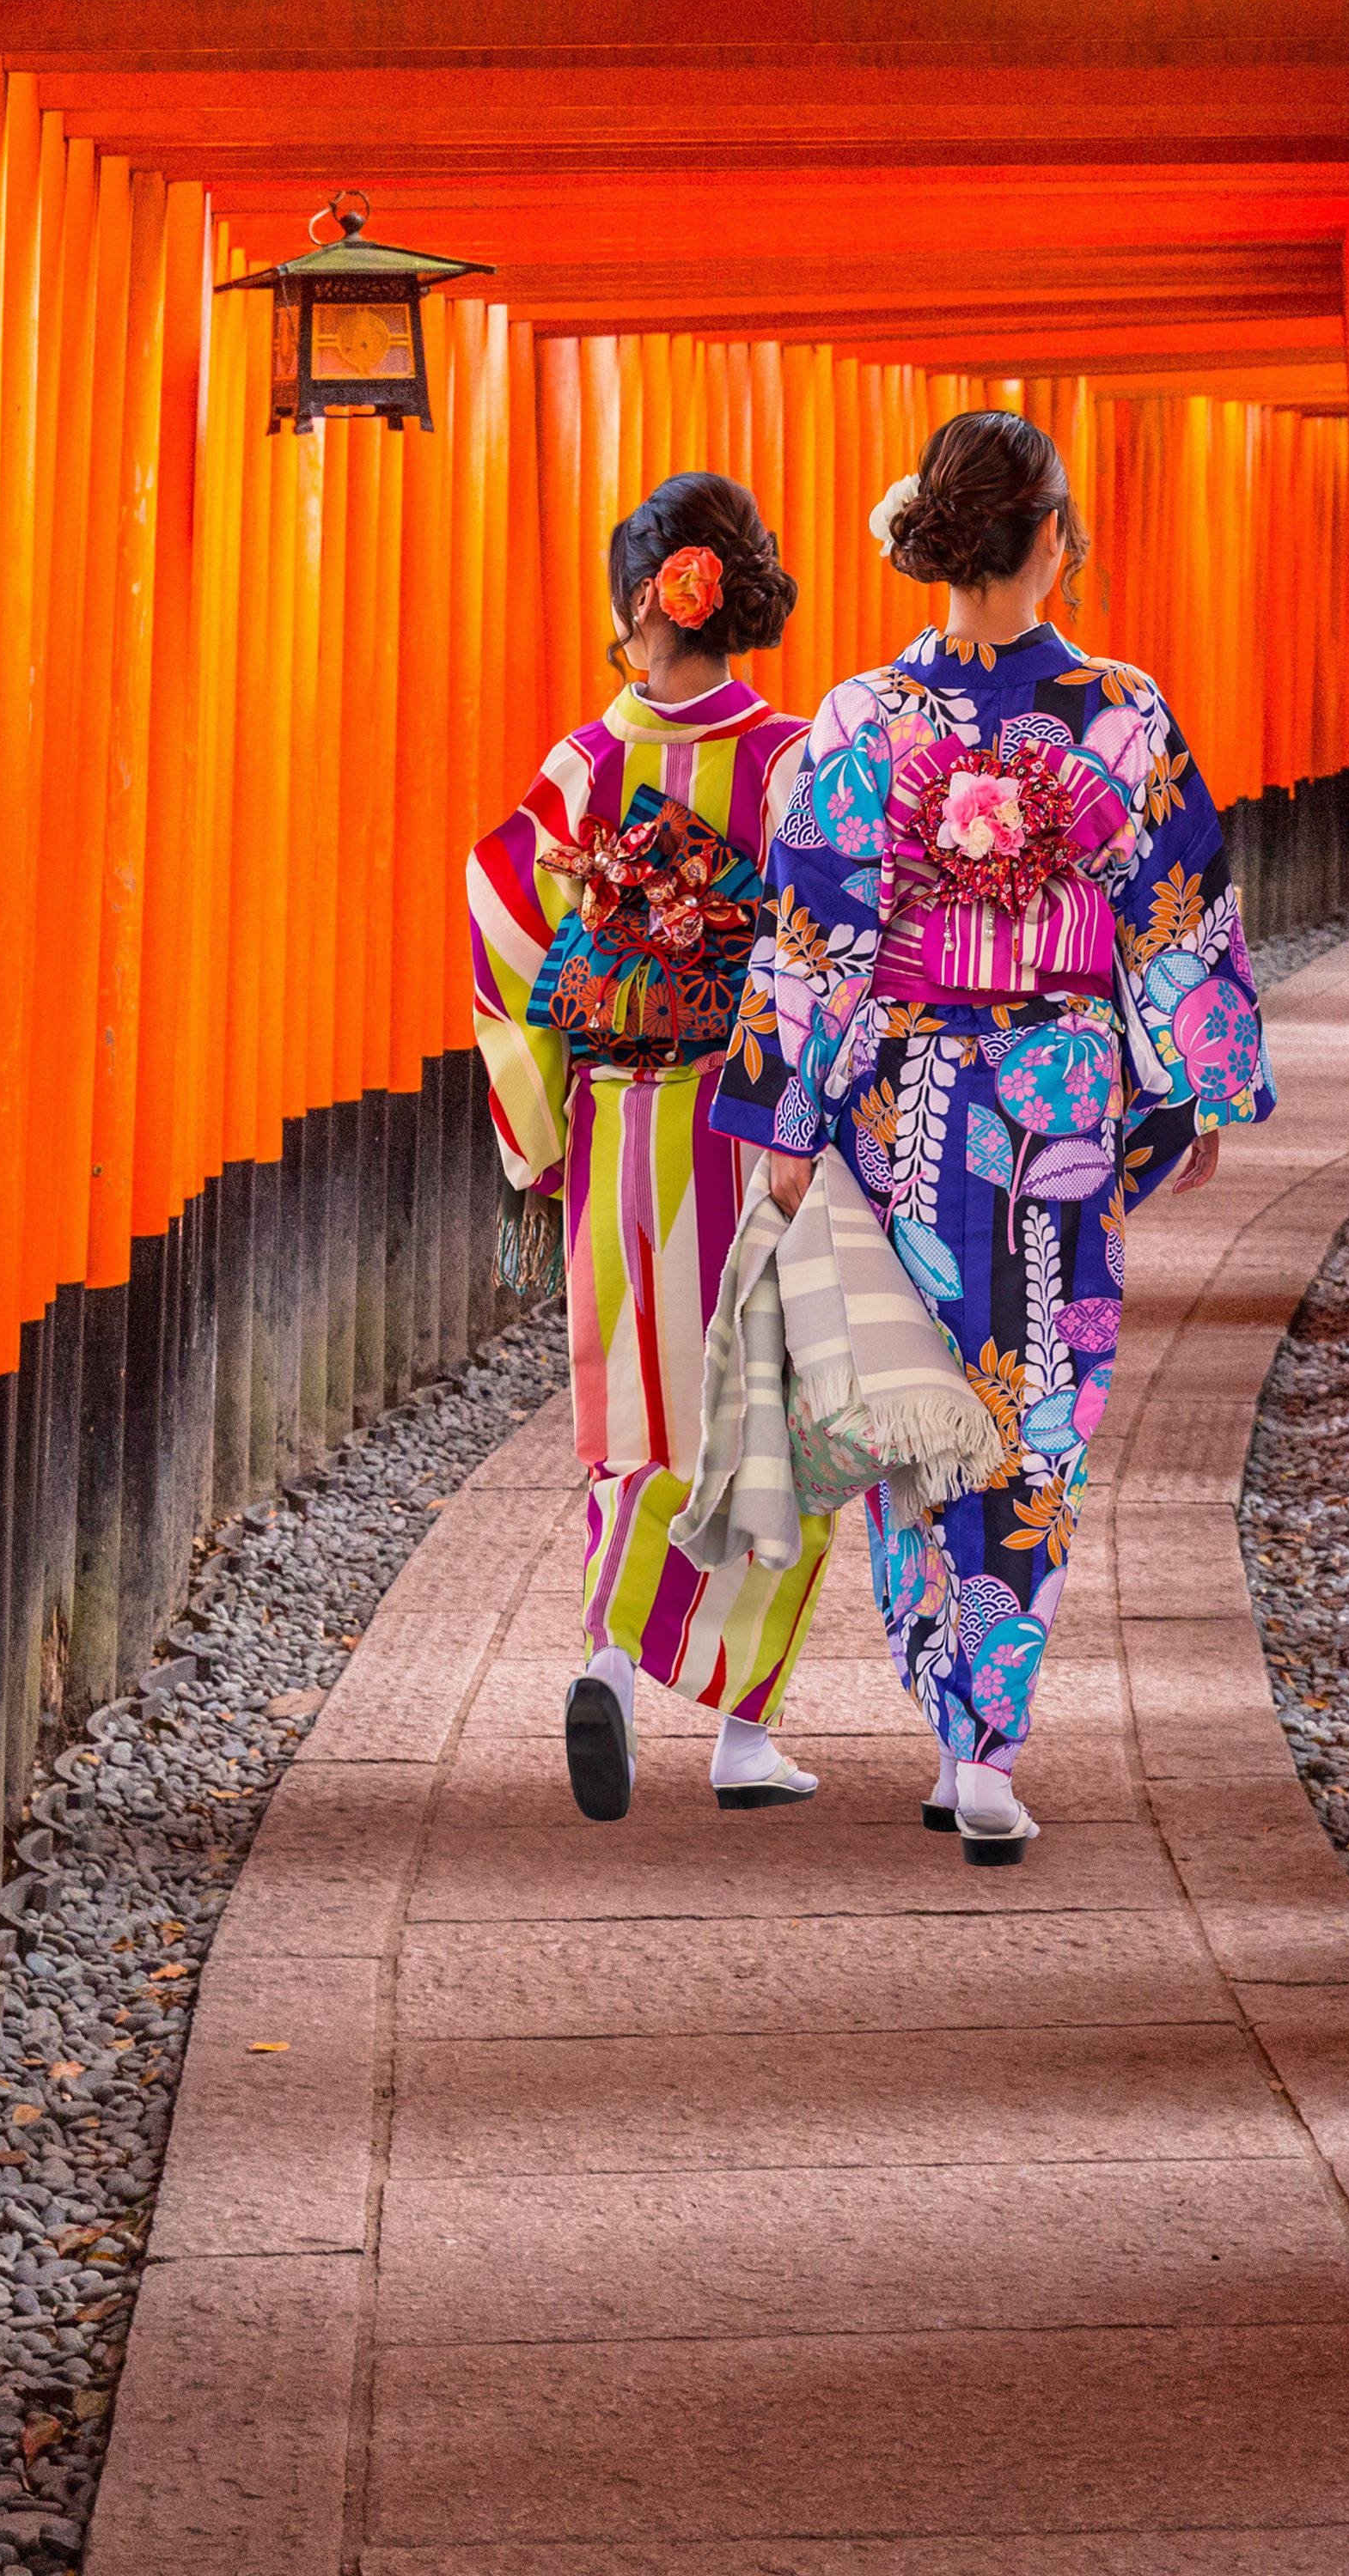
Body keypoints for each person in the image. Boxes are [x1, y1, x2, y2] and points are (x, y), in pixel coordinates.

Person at [710, 408, 1273, 1863]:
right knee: (1036, 1412)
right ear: (1053, 545)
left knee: (927, 1411)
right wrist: (1198, 1079)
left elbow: (810, 934)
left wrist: (790, 1113)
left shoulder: (854, 721)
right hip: (1061, 1098)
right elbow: (1176, 907)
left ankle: (948, 1708)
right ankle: (983, 1741)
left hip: (905, 1100)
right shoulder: (1121, 711)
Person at [467, 472, 840, 1823]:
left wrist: (536, 1121)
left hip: (620, 1122)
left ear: (646, 602)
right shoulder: (794, 757)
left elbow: (507, 926)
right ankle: (743, 1732)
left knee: (637, 1395)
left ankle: (613, 1662)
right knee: (776, 1409)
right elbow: (824, 947)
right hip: (757, 1125)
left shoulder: (578, 768)